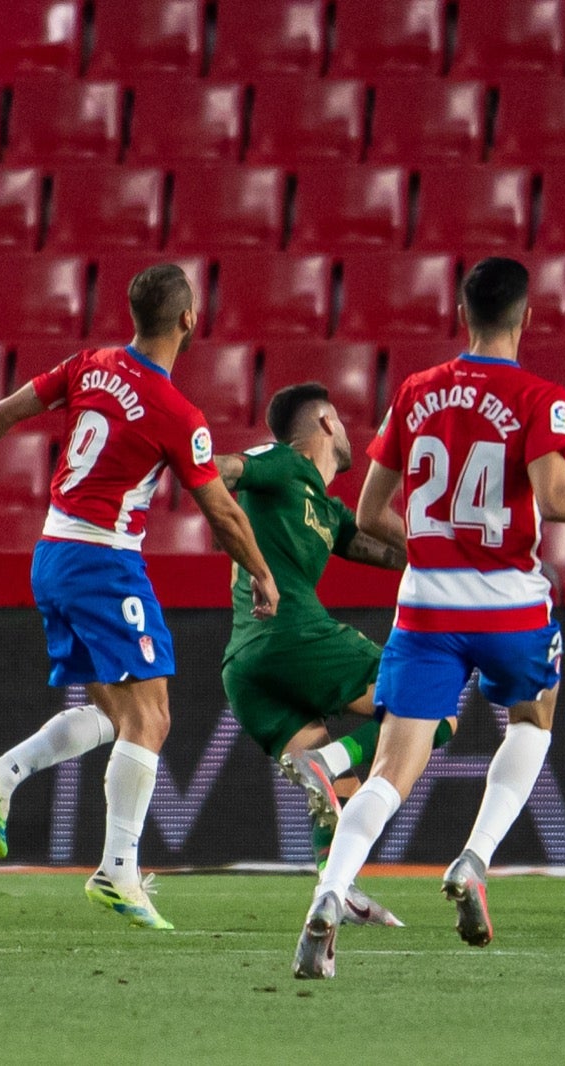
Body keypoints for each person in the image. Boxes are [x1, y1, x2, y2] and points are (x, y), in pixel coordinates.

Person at [292, 256, 565, 979]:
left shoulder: (414, 391)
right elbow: (554, 498)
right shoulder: (540, 398)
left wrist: (435, 548)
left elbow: (368, 513)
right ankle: (474, 858)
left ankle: (330, 894)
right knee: (533, 718)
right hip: (508, 604)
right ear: (528, 317)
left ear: (460, 314)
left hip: (426, 604)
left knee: (389, 772)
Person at [0, 263, 280, 930]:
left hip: (52, 554)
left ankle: (2, 774)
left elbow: (4, 410)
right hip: (103, 561)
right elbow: (222, 511)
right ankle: (117, 871)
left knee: (119, 715)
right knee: (154, 717)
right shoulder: (176, 412)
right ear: (188, 319)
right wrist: (260, 571)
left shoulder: (91, 366)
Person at [216, 382, 456, 927]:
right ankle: (329, 761)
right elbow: (221, 470)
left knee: (337, 795)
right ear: (326, 423)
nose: (347, 431)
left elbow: (387, 547)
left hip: (246, 668)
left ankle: (336, 888)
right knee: (437, 710)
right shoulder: (283, 463)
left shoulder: (325, 508)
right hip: (293, 635)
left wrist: (455, 562)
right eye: (342, 421)